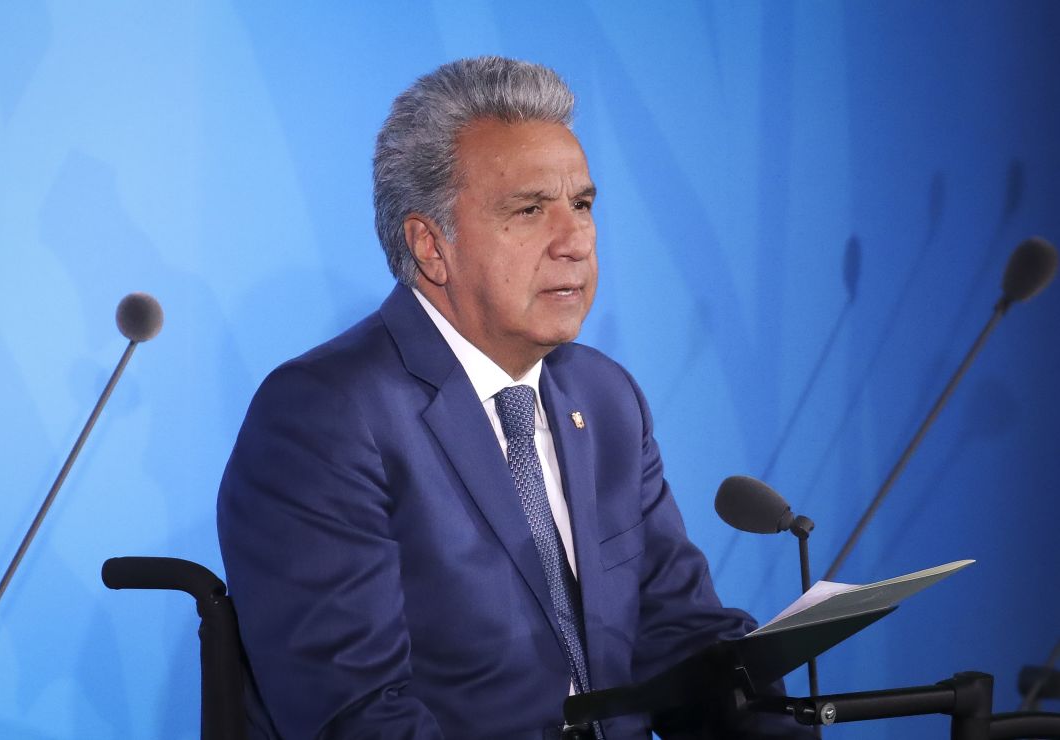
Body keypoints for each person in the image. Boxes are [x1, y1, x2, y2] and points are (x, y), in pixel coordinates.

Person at [218, 56, 808, 739]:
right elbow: (355, 714)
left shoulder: (606, 398)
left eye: (582, 205)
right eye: (529, 211)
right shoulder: (325, 416)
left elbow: (679, 636)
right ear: (430, 245)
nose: (575, 241)